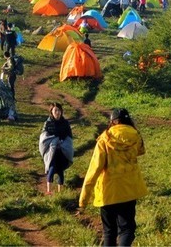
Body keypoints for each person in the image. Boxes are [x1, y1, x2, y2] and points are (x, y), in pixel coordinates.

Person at [79, 108, 147, 246]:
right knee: (127, 229)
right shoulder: (135, 135)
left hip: (108, 192)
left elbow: (94, 170)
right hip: (129, 191)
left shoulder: (105, 139)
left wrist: (83, 200)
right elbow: (141, 151)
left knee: (109, 231)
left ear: (112, 121)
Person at [40, 103, 74, 194]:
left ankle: (60, 192)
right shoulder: (48, 123)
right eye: (55, 110)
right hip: (52, 151)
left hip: (62, 150)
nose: (57, 112)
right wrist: (54, 141)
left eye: (59, 110)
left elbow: (69, 136)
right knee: (51, 168)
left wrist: (63, 143)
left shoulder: (65, 123)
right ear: (51, 112)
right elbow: (44, 137)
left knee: (60, 170)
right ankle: (49, 191)